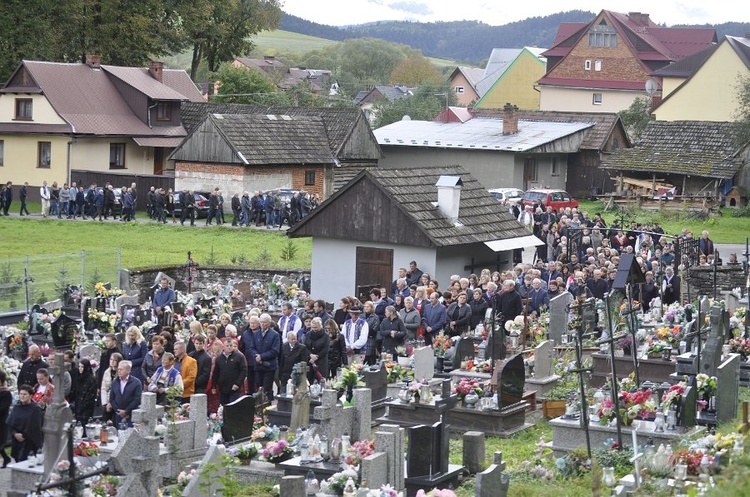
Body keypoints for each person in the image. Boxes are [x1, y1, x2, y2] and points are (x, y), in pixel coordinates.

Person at [7, 385, 43, 462]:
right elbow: (10, 423)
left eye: (25, 394)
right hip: (16, 440)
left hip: (29, 442)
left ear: (30, 396)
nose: (22, 396)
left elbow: (36, 427)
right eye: (21, 394)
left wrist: (25, 436)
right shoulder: (16, 407)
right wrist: (15, 434)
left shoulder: (35, 409)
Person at [250, 314, 281, 402]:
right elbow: (251, 348)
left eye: (265, 322)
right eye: (261, 322)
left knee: (267, 388)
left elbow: (275, 351)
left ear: (269, 323)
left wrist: (262, 357)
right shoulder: (256, 334)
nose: (262, 324)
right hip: (258, 365)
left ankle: (268, 407)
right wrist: (256, 356)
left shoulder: (274, 335)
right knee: (259, 387)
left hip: (269, 366)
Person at [211, 338, 248, 405]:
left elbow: (243, 371)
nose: (229, 347)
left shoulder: (239, 357)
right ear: (223, 347)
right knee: (224, 407)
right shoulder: (219, 358)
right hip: (223, 388)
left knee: (233, 407)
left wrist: (237, 384)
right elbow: (216, 373)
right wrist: (214, 386)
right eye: (227, 346)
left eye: (231, 345)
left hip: (235, 388)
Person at [109, 360, 142, 428]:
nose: (119, 371)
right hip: (118, 415)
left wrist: (126, 411)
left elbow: (137, 399)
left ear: (128, 371)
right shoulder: (115, 382)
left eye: (121, 369)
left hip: (131, 415)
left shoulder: (136, 383)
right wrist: (118, 411)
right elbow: (111, 398)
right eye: (118, 369)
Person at [74, 358, 98, 437]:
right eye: (79, 366)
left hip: (86, 409)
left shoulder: (91, 380)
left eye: (82, 367)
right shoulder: (79, 378)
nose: (80, 369)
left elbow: (90, 396)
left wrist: (81, 407)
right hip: (78, 408)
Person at [303, 317, 330, 382]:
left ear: (321, 326)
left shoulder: (326, 336)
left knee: (321, 380)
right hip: (310, 360)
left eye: (316, 327)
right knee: (309, 380)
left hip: (321, 361)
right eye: (313, 327)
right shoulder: (307, 335)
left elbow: (326, 349)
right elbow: (304, 347)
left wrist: (317, 356)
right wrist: (310, 355)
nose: (314, 329)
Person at [100, 352, 123, 424]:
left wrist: (111, 403)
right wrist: (105, 403)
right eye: (111, 359)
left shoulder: (121, 373)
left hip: (116, 403)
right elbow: (103, 388)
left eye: (114, 360)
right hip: (107, 401)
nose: (112, 361)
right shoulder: (107, 372)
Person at [0, 370, 11, 467]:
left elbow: (3, 407)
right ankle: (6, 458)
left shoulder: (5, 393)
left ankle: (6, 458)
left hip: (2, 420)